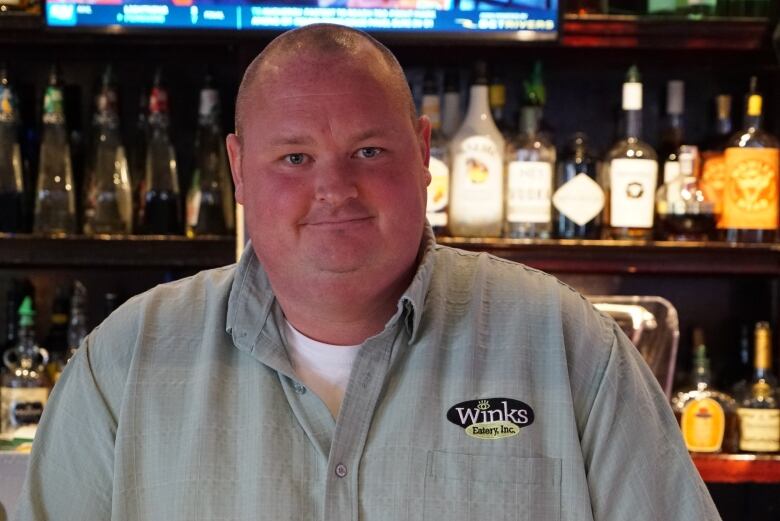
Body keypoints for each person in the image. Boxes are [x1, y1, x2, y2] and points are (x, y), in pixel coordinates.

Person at [16, 24, 720, 521]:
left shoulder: (571, 348)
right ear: (236, 168)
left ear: (421, 153)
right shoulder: (122, 364)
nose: (335, 188)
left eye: (370, 151)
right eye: (294, 157)